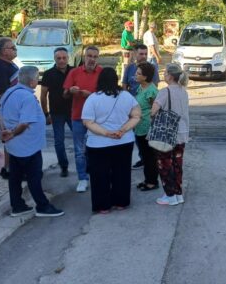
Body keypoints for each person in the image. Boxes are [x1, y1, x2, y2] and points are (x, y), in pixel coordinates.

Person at [0, 66, 64, 218]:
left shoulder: (10, 92)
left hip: (14, 146)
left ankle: (18, 205)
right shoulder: (27, 97)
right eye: (37, 78)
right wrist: (12, 134)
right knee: (34, 176)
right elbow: (24, 123)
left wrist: (5, 132)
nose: (37, 81)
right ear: (32, 81)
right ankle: (42, 206)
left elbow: (0, 114)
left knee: (14, 176)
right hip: (27, 146)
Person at [81, 68, 141, 214]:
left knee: (99, 175)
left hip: (98, 143)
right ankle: (121, 202)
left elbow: (88, 122)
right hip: (123, 141)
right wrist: (123, 130)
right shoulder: (127, 96)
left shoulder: (93, 98)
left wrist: (106, 133)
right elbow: (136, 116)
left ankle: (103, 206)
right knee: (122, 173)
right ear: (116, 80)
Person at [63, 46, 102, 192]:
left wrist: (90, 95)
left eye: (95, 57)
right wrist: (70, 90)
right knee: (79, 151)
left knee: (96, 150)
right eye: (89, 56)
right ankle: (82, 179)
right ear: (84, 57)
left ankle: (97, 176)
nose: (92, 59)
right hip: (78, 116)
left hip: (97, 118)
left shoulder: (102, 73)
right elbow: (65, 95)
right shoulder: (74, 72)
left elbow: (107, 95)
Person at [151, 63, 190, 206]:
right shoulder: (183, 91)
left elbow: (154, 111)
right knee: (177, 164)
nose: (164, 75)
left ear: (170, 76)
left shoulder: (164, 92)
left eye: (165, 73)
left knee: (165, 164)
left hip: (167, 134)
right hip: (182, 132)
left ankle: (170, 195)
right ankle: (178, 194)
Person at [122, 44, 160, 169]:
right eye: (141, 53)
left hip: (144, 113)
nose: (143, 56)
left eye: (145, 53)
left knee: (144, 139)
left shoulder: (151, 68)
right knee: (135, 136)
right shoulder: (129, 68)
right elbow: (124, 85)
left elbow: (153, 91)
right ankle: (143, 157)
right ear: (134, 54)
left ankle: (146, 160)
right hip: (131, 108)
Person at [40, 47, 73, 177]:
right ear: (54, 59)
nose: (61, 60)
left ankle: (85, 165)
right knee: (59, 141)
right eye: (58, 58)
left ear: (68, 58)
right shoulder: (48, 74)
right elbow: (43, 95)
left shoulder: (74, 71)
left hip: (73, 112)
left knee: (80, 139)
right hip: (56, 113)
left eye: (64, 58)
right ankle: (63, 166)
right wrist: (46, 114)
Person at [0, 37, 19, 179]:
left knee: (14, 138)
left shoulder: (9, 64)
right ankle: (8, 169)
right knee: (9, 138)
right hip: (7, 109)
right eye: (12, 47)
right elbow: (2, 92)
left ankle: (10, 168)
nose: (15, 49)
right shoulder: (0, 66)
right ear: (3, 51)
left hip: (14, 108)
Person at [133, 62, 159, 191]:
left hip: (148, 128)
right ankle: (148, 179)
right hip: (139, 127)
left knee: (149, 157)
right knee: (144, 156)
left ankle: (152, 182)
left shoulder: (151, 91)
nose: (135, 75)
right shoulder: (140, 87)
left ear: (145, 76)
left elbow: (156, 109)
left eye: (138, 74)